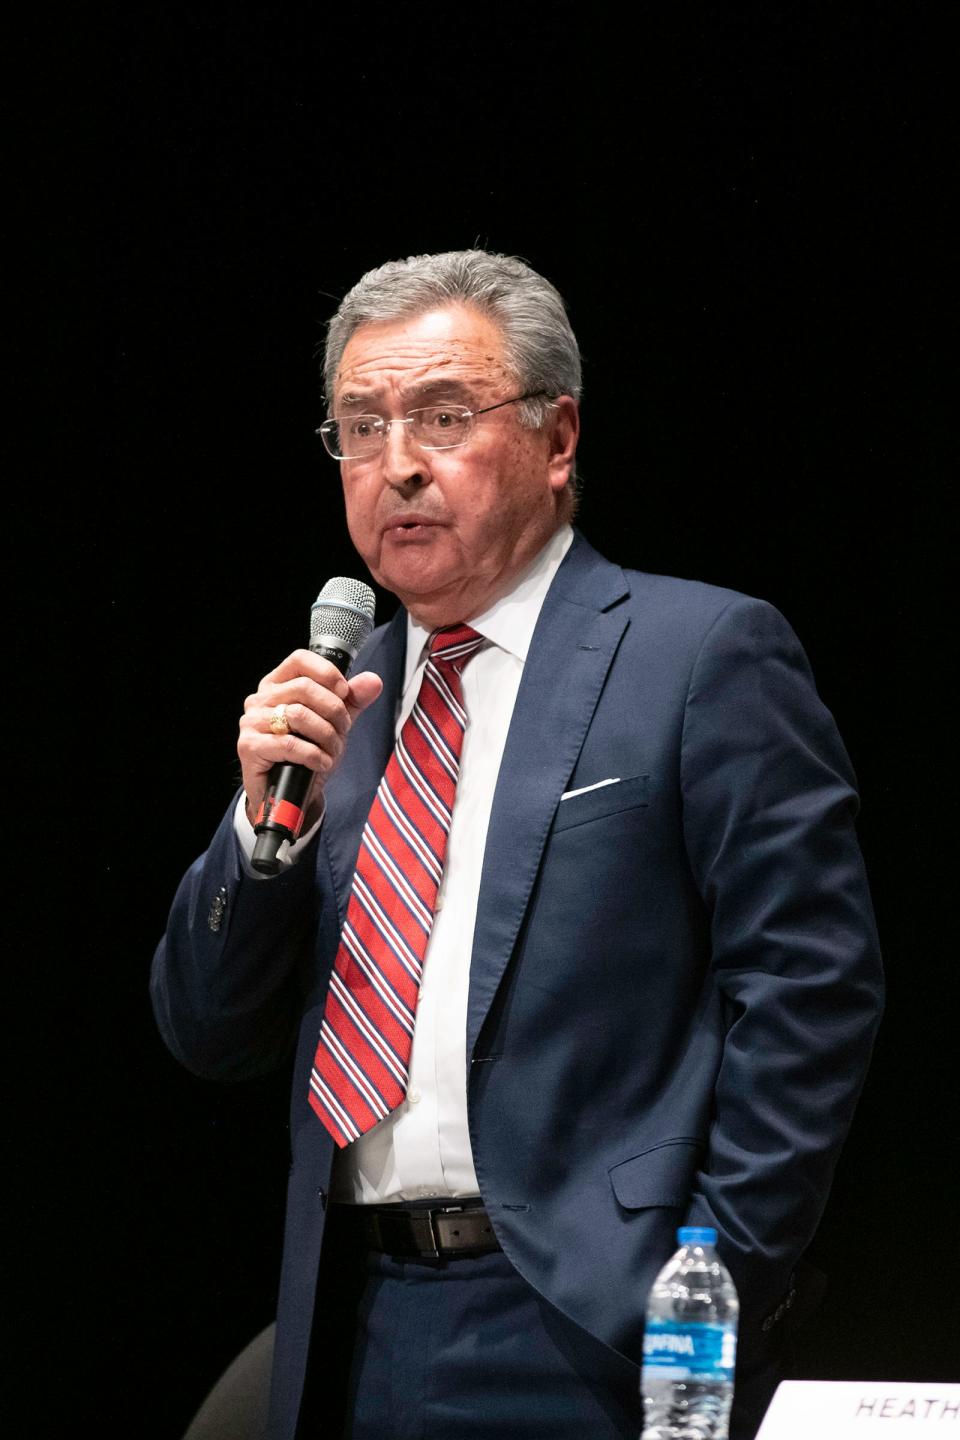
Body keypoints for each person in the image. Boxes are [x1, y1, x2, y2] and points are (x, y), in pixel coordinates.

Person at [152, 249, 883, 1440]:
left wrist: (712, 1286)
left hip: (585, 1327)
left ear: (557, 439)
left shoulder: (698, 656)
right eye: (361, 425)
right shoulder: (343, 703)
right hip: (349, 1316)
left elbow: (813, 993)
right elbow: (204, 1028)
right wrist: (255, 829)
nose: (399, 463)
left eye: (445, 416)